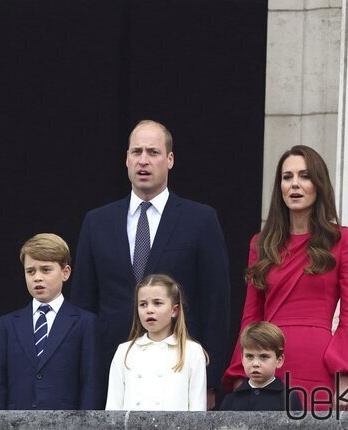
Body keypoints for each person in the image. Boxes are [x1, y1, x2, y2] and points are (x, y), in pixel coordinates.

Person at [71, 119, 230, 408]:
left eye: (153, 152)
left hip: (179, 373)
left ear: (170, 159)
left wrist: (209, 380)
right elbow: (84, 304)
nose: (143, 160)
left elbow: (216, 304)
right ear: (126, 159)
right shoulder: (97, 222)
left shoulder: (200, 220)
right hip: (111, 372)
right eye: (136, 152)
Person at [222, 145, 348, 410]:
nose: (295, 184)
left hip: (319, 364)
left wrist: (346, 374)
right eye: (287, 177)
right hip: (269, 363)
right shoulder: (261, 244)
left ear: (319, 184)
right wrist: (240, 369)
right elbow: (251, 316)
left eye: (304, 176)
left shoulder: (345, 241)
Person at [0, 233, 101, 410]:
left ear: (65, 272)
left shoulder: (85, 322)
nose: (37, 277)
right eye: (30, 271)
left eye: (46, 270)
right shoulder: (8, 324)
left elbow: (90, 384)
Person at [105, 274, 207, 410]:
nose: (149, 310)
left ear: (174, 310)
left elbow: (198, 409)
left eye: (157, 303)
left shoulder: (192, 351)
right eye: (143, 304)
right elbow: (113, 407)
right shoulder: (124, 351)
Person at [220, 322, 302, 412]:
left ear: (279, 360)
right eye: (249, 356)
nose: (255, 364)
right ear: (242, 359)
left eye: (264, 357)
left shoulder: (290, 398)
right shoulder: (231, 400)